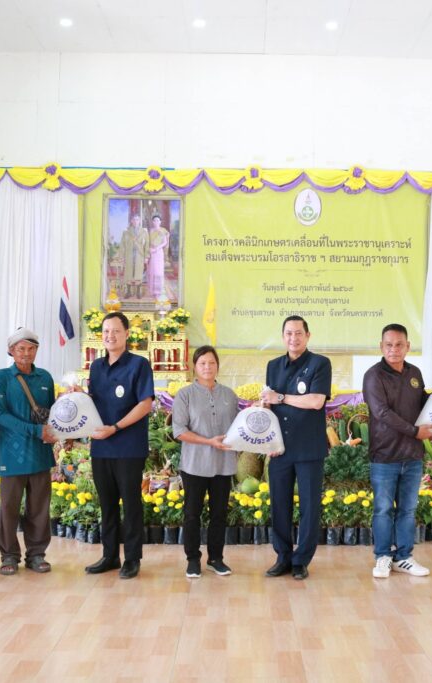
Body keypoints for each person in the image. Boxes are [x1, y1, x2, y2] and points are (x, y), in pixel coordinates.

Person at [260, 315, 332, 581]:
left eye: (298, 333)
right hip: (279, 448)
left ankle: (301, 560)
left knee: (309, 507)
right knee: (279, 505)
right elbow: (269, 405)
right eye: (289, 333)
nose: (294, 338)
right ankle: (283, 557)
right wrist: (266, 430)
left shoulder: (320, 363)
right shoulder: (273, 366)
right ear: (283, 337)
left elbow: (315, 401)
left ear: (308, 336)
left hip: (309, 448)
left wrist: (280, 397)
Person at [84, 312, 155, 580]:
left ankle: (132, 558)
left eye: (115, 331)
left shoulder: (139, 364)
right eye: (105, 331)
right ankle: (110, 555)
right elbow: (92, 403)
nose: (110, 336)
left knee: (131, 504)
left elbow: (145, 404)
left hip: (128, 446)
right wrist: (76, 399)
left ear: (126, 334)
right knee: (107, 504)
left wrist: (115, 427)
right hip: (101, 447)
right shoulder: (96, 367)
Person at [362, 323, 432, 578]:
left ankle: (403, 557)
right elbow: (382, 413)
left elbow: (423, 403)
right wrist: (415, 432)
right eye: (389, 345)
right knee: (383, 510)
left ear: (408, 346)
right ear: (381, 346)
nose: (394, 349)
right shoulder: (373, 375)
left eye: (399, 344)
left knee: (408, 510)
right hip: (385, 456)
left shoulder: (414, 373)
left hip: (412, 455)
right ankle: (383, 557)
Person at [0, 328, 58, 576]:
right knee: (9, 507)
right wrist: (36, 430)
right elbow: (1, 416)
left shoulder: (45, 378)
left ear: (37, 350)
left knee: (39, 507)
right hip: (12, 454)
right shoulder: (0, 378)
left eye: (31, 348)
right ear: (11, 351)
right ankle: (9, 555)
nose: (26, 353)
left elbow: (52, 412)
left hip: (40, 452)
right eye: (21, 349)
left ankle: (36, 555)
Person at [172, 345, 239, 579]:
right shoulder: (185, 395)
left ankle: (215, 558)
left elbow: (238, 428)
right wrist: (209, 442)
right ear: (194, 367)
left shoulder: (229, 395)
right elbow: (179, 431)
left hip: (223, 464)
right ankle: (192, 559)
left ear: (218, 366)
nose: (207, 367)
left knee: (219, 514)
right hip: (194, 464)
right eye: (202, 363)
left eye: (212, 363)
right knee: (192, 514)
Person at [120, 212, 148, 299]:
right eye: (134, 219)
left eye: (137, 219)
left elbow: (147, 245)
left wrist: (146, 257)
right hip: (129, 255)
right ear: (131, 221)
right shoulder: (126, 232)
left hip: (139, 255)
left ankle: (138, 292)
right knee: (128, 273)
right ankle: (128, 292)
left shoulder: (144, 232)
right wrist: (122, 257)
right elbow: (122, 245)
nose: (135, 221)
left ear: (139, 221)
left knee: (138, 273)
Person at [146, 214, 170, 298]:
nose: (156, 222)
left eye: (157, 220)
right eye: (154, 220)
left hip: (159, 252)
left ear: (160, 222)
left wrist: (156, 248)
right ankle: (152, 291)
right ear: (152, 222)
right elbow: (148, 242)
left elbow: (164, 242)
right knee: (152, 271)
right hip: (151, 253)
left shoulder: (163, 231)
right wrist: (150, 249)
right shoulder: (150, 231)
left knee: (158, 271)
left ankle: (158, 291)